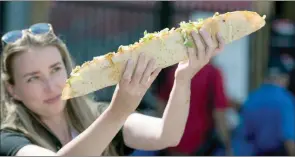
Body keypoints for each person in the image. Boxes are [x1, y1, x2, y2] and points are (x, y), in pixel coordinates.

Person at [0, 23, 225, 156]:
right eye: (33, 78)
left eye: (55, 69)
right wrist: (118, 111)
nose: (50, 86)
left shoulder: (96, 114)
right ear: (13, 90)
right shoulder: (9, 140)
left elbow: (167, 134)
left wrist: (183, 77)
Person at [157, 62, 231, 156]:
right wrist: (228, 147)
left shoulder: (174, 70)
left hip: (173, 142)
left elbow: (161, 107)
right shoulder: (213, 73)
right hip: (199, 144)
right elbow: (219, 114)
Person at [232, 57, 295, 156]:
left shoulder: (251, 99)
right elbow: (289, 139)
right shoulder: (285, 100)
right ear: (284, 78)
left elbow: (241, 136)